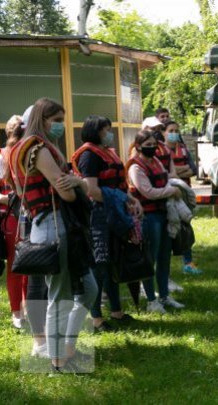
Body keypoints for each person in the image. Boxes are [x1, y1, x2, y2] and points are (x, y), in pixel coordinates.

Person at [8, 97, 98, 372]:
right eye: (56, 120)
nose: (60, 125)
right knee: (59, 295)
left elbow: (69, 185)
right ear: (41, 119)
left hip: (46, 224)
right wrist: (77, 184)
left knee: (89, 289)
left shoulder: (18, 149)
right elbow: (67, 193)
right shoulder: (37, 148)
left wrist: (76, 182)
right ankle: (58, 360)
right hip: (52, 225)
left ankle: (66, 348)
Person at [71, 115, 141, 332]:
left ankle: (117, 311)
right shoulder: (89, 156)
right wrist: (119, 201)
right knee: (99, 265)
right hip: (98, 215)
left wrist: (129, 199)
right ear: (95, 131)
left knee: (113, 262)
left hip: (114, 211)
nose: (109, 133)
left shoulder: (108, 151)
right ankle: (97, 319)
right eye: (105, 130)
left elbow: (119, 183)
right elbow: (91, 189)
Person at [127, 130, 184, 313]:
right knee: (149, 259)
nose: (152, 148)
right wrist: (171, 191)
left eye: (154, 145)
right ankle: (152, 300)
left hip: (163, 214)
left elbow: (166, 179)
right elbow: (148, 192)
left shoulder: (157, 161)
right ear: (138, 147)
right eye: (148, 145)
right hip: (148, 218)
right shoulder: (135, 167)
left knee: (164, 257)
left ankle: (165, 296)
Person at [0, 116, 25, 329]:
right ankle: (17, 312)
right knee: (16, 265)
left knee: (34, 264)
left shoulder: (33, 153)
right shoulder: (1, 157)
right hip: (10, 217)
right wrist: (8, 198)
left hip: (33, 215)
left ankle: (31, 308)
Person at [164, 121, 202, 274]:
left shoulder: (184, 149)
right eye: (170, 130)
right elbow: (163, 174)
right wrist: (182, 169)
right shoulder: (161, 150)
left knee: (186, 228)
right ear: (164, 133)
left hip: (184, 195)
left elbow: (193, 169)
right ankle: (166, 266)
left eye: (176, 130)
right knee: (170, 229)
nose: (174, 133)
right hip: (169, 195)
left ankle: (188, 263)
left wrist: (177, 172)